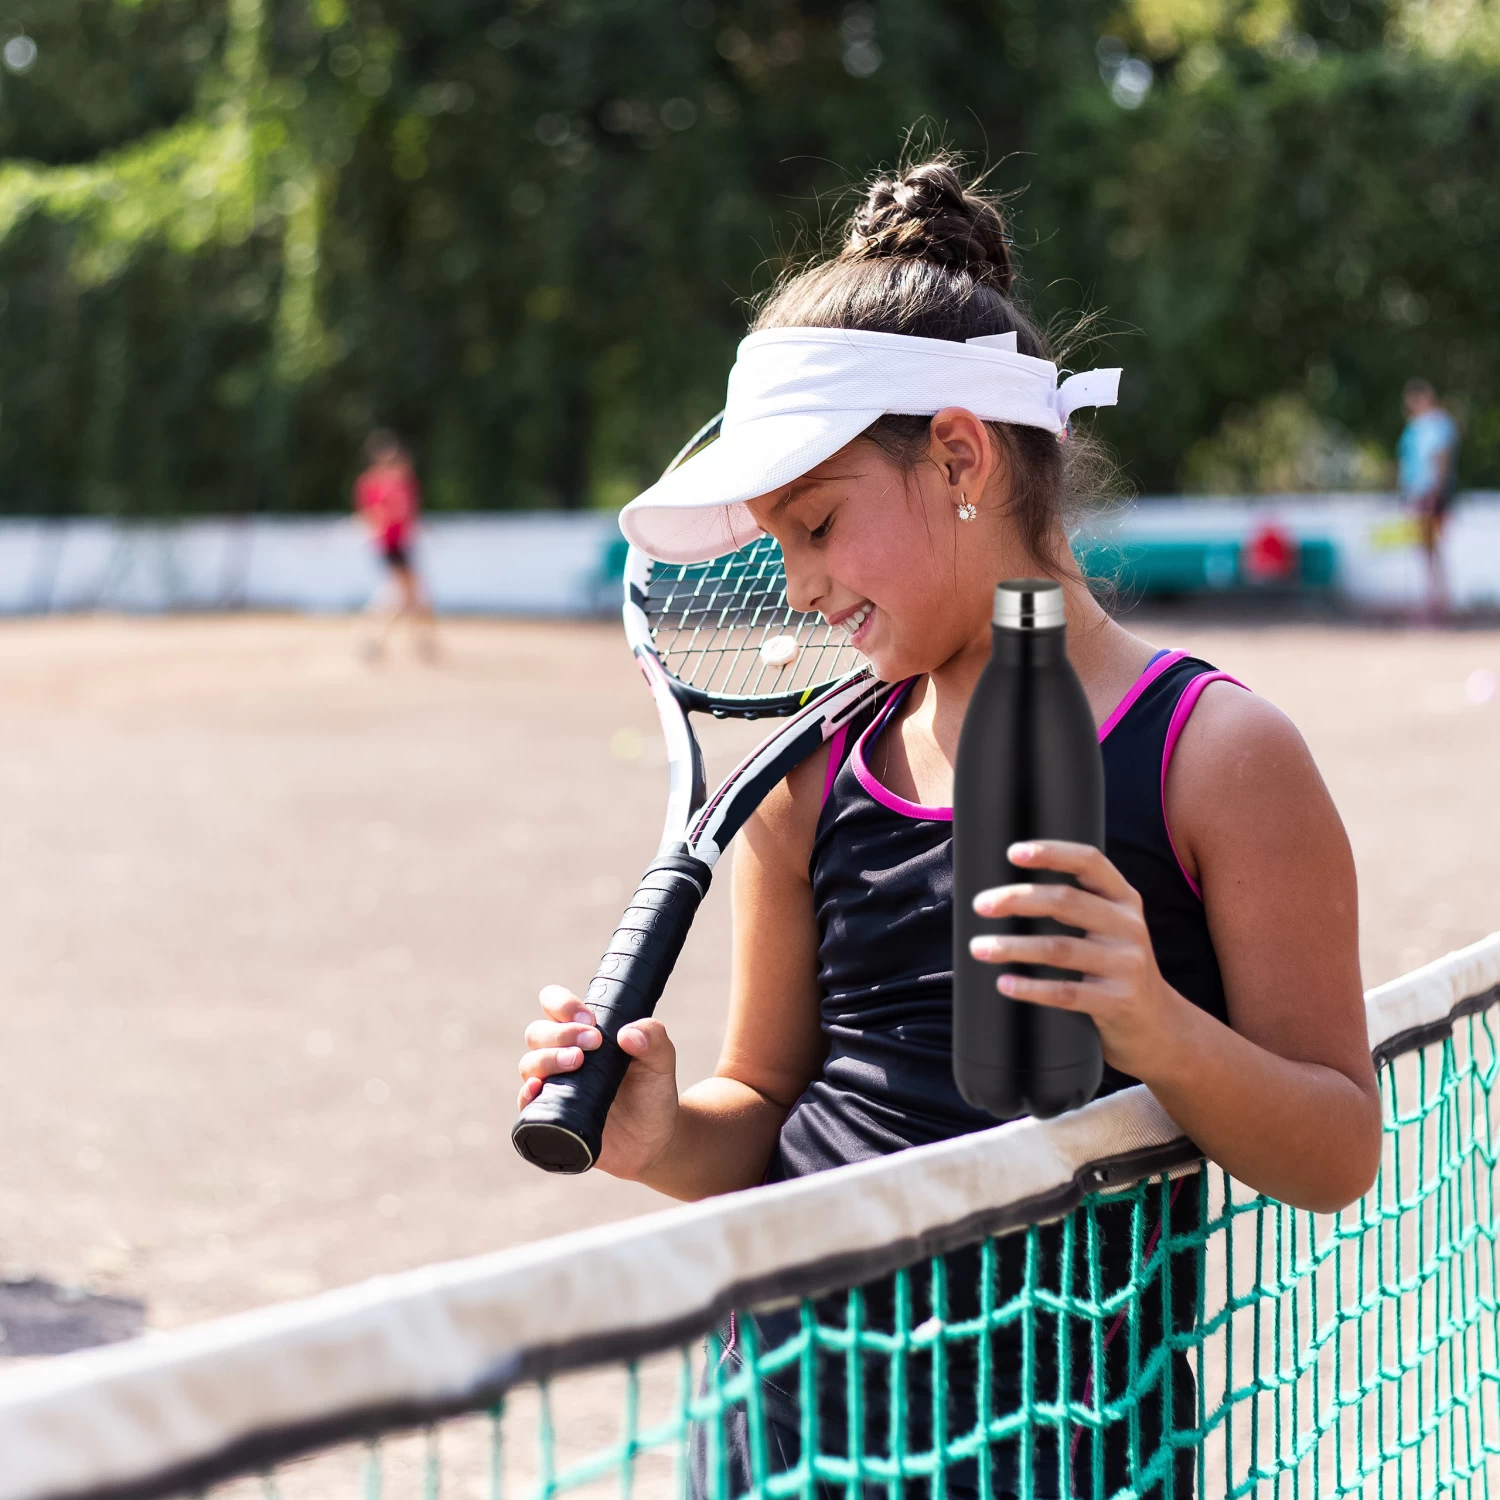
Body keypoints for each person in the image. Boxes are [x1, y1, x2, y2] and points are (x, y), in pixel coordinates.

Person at [516, 159, 1380, 1496]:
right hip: (786, 1433)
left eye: (816, 524)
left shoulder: (1216, 756)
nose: (797, 588)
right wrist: (661, 1136)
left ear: (963, 456)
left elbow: (1336, 1148)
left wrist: (1152, 1023)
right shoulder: (813, 775)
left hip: (1068, 1451)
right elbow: (769, 1108)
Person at [353, 430, 438, 659]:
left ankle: (415, 640)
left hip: (402, 544)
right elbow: (371, 516)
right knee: (403, 595)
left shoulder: (405, 484)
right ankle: (380, 639)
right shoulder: (372, 484)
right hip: (389, 545)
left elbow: (410, 514)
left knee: (409, 595)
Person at [1397, 378, 1460, 622]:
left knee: (1433, 546)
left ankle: (1439, 602)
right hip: (1418, 493)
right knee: (1425, 548)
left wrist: (1435, 491)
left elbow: (1440, 459)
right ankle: (1434, 599)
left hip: (1430, 494)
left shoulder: (1437, 424)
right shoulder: (1416, 426)